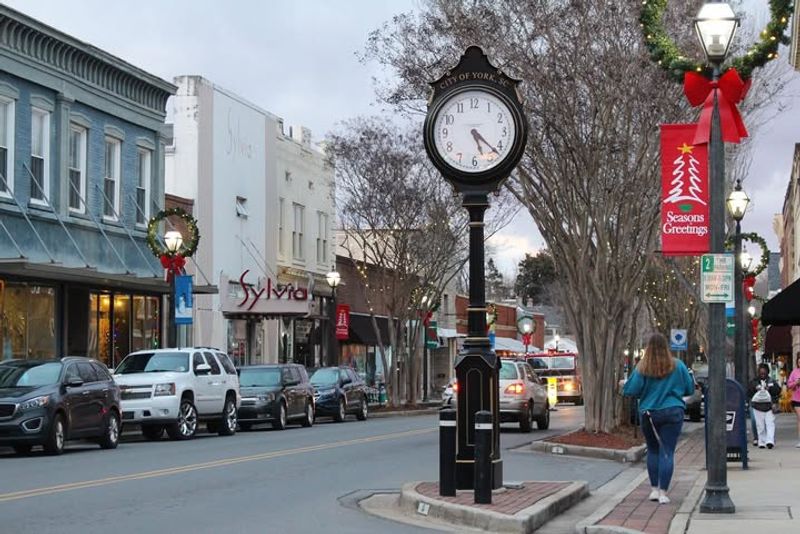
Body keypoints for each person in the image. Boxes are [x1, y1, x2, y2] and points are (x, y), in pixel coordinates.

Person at [622, 333, 694, 505]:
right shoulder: (678, 365)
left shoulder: (642, 367)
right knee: (667, 451)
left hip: (649, 414)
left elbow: (629, 390)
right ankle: (663, 492)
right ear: (666, 346)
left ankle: (654, 489)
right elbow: (689, 388)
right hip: (673, 411)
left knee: (653, 450)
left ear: (648, 348)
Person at [748, 363, 782, 449]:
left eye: (764, 372)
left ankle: (770, 440)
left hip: (769, 406)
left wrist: (770, 388)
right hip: (757, 407)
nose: (762, 374)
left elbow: (777, 391)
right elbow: (749, 391)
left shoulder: (772, 381)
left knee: (770, 423)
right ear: (758, 373)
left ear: (767, 372)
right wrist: (756, 388)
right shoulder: (754, 382)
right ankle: (761, 441)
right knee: (760, 425)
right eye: (761, 372)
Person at [786, 355, 800, 448]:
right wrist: (796, 383)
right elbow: (789, 385)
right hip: (797, 399)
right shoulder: (794, 372)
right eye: (799, 362)